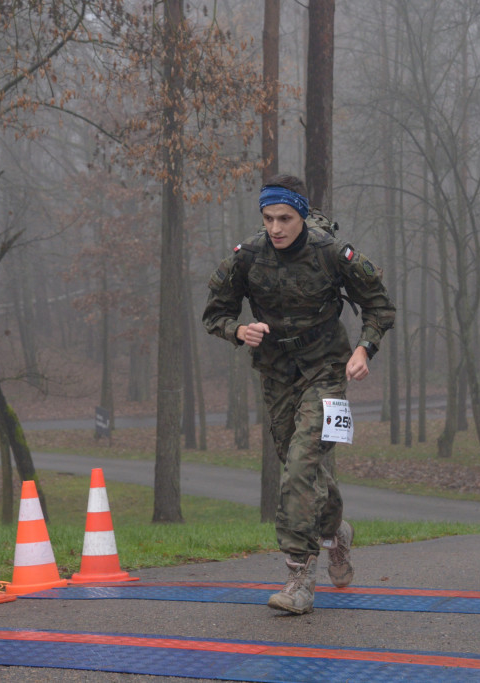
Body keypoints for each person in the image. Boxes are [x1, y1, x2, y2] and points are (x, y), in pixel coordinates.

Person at [203, 174, 396, 614]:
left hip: (328, 369)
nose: (276, 228)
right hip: (276, 373)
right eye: (268, 218)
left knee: (299, 467)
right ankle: (335, 533)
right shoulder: (248, 256)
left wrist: (365, 348)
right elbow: (214, 313)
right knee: (301, 467)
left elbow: (379, 305)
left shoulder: (332, 253)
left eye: (285, 218)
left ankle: (299, 576)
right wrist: (238, 330)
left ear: (302, 216)